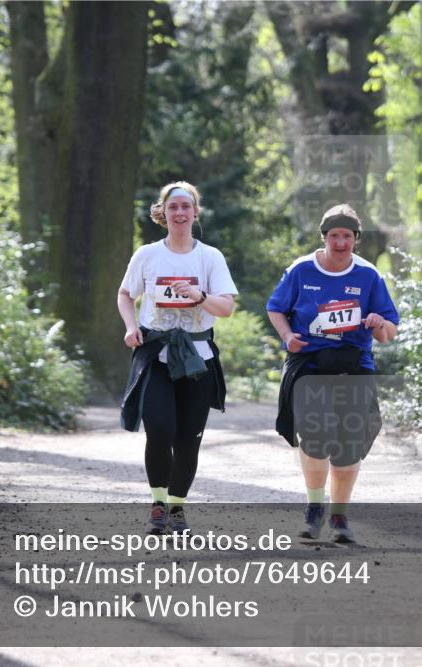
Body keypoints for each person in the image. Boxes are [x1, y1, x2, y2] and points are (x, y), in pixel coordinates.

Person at [266, 204, 399, 542]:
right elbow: (276, 308)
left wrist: (379, 323)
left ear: (356, 239)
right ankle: (314, 509)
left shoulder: (368, 275)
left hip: (354, 366)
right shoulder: (301, 270)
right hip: (310, 364)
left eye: (347, 236)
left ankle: (339, 518)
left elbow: (389, 331)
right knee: (316, 435)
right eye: (334, 236)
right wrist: (288, 337)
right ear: (324, 238)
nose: (341, 243)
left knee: (348, 445)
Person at [118, 181, 238, 535]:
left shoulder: (210, 257)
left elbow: (227, 307)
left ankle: (178, 507)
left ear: (195, 212)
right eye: (174, 207)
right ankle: (158, 504)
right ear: (164, 213)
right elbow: (126, 294)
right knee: (159, 429)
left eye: (186, 207)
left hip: (197, 359)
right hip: (156, 354)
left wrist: (200, 296)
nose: (180, 213)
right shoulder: (147, 255)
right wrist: (129, 326)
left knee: (189, 437)